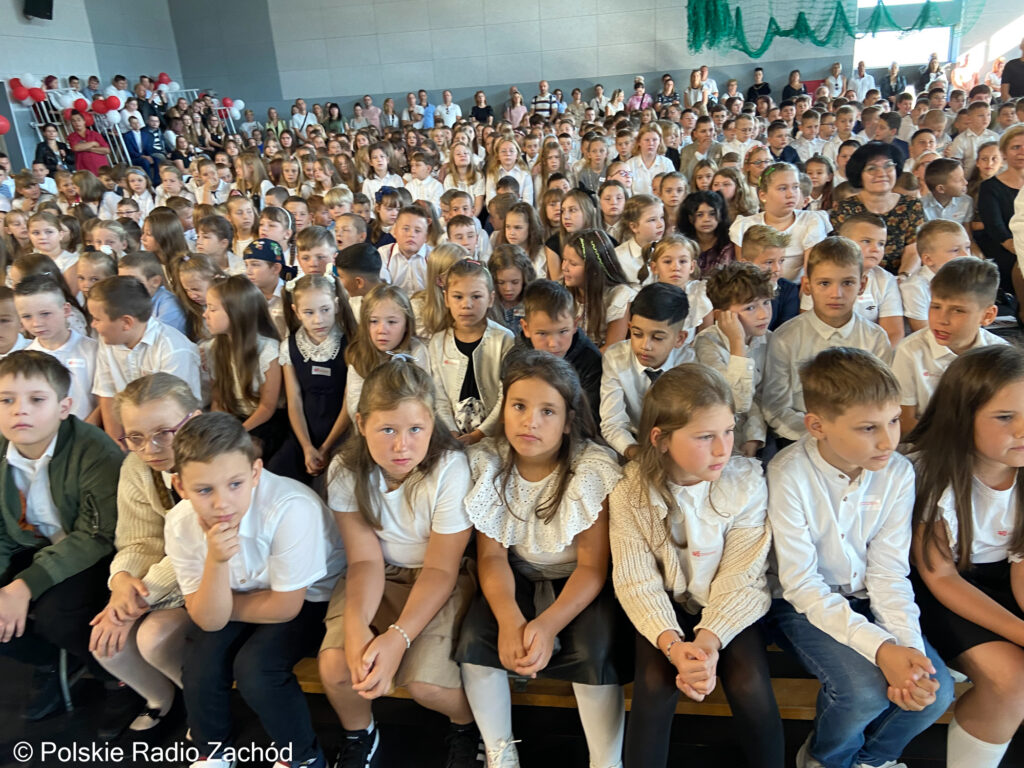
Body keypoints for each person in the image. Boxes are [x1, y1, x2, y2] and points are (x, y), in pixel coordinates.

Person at [768, 346, 954, 768]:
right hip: (799, 606)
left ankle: (872, 760)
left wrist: (906, 649)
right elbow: (802, 585)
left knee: (934, 691)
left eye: (893, 420)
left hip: (867, 597)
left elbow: (889, 573)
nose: (889, 439)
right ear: (817, 426)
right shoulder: (788, 475)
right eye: (869, 427)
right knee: (863, 693)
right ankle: (826, 760)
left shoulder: (898, 473)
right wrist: (882, 648)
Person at [457, 349, 629, 768]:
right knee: (475, 641)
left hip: (578, 584)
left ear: (569, 420)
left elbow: (592, 567)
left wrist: (549, 622)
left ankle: (605, 759)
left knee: (593, 649)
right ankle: (500, 750)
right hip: (515, 577)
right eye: (519, 406)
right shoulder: (489, 464)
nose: (530, 421)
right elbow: (492, 557)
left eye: (547, 411)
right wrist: (511, 619)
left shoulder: (591, 469)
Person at [610, 363, 782, 768]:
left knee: (750, 682)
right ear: (662, 439)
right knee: (653, 683)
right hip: (663, 612)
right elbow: (636, 581)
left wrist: (706, 645)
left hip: (726, 608)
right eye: (706, 437)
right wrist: (673, 645)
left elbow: (743, 577)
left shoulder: (745, 483)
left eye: (728, 431)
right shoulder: (630, 493)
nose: (724, 448)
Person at [318, 358, 480, 768]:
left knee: (428, 685)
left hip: (439, 578)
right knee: (337, 664)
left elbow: (442, 568)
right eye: (387, 430)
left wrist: (398, 638)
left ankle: (466, 725)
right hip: (379, 574)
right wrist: (356, 626)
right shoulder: (344, 469)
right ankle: (360, 733)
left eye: (415, 430)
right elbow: (365, 560)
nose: (401, 445)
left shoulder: (449, 468)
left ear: (432, 424)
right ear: (361, 423)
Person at [165, 412, 344, 768]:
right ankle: (212, 749)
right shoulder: (180, 523)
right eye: (204, 490)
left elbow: (285, 607)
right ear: (180, 487)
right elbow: (206, 620)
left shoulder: (292, 508)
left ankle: (303, 758)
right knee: (201, 655)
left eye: (235, 484)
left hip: (308, 596)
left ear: (256, 473)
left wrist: (216, 607)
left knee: (257, 667)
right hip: (238, 592)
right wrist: (215, 563)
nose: (222, 504)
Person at [908, 344, 1024, 768]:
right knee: (1014, 678)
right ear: (963, 417)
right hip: (943, 589)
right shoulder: (928, 474)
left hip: (1003, 579)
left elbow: (1021, 566)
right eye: (1005, 417)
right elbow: (940, 578)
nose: (1023, 428)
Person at [0, 350, 123, 721]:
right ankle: (51, 661)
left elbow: (97, 535)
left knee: (59, 616)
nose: (20, 410)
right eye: (6, 400)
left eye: (37, 400)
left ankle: (116, 678)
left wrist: (23, 585)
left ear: (64, 406)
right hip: (31, 545)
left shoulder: (94, 450)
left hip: (89, 553)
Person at [87, 374, 199, 737]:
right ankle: (160, 697)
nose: (150, 448)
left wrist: (141, 595)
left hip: (212, 581)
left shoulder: (215, 463)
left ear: (193, 421)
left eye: (163, 432)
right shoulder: (137, 468)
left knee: (153, 637)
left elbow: (198, 549)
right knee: (106, 644)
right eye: (135, 437)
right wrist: (121, 582)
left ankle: (204, 704)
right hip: (166, 581)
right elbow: (139, 540)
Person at [762, 238, 891, 444]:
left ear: (862, 284)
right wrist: (821, 437)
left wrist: (851, 436)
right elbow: (776, 408)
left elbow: (882, 402)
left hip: (860, 440)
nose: (836, 294)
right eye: (824, 283)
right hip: (799, 438)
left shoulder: (875, 339)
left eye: (847, 283)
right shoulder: (786, 338)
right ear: (807, 285)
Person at [893, 257, 1005, 434]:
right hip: (926, 445)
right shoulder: (910, 351)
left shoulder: (1001, 356)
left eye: (958, 310)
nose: (941, 320)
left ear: (988, 315)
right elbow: (905, 420)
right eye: (936, 306)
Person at [88, 275, 200, 440]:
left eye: (97, 319)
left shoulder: (173, 349)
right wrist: (115, 440)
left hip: (171, 433)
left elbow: (176, 410)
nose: (92, 325)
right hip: (133, 430)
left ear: (126, 322)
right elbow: (108, 391)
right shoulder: (109, 340)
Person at [600, 282, 690, 460]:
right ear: (629, 327)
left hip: (676, 445)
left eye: (657, 338)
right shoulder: (615, 358)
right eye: (637, 334)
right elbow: (612, 423)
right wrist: (636, 453)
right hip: (631, 443)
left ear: (679, 338)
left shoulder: (689, 364)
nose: (644, 346)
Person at [428, 259, 513, 445]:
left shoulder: (504, 339)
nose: (467, 305)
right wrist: (450, 431)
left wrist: (480, 434)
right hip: (451, 436)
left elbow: (505, 394)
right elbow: (439, 395)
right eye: (458, 297)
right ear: (446, 298)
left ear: (490, 299)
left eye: (476, 297)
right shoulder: (437, 342)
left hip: (495, 435)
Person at [695, 262, 773, 456]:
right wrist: (737, 342)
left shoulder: (769, 339)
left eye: (766, 302)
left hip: (762, 427)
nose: (764, 314)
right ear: (722, 316)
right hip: (721, 435)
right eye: (750, 308)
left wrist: (755, 435)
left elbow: (760, 397)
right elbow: (737, 403)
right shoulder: (706, 344)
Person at [203, 275, 285, 461]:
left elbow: (267, 406)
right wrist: (219, 429)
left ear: (236, 312)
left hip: (264, 421)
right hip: (234, 417)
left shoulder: (267, 349)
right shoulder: (215, 348)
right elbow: (219, 400)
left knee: (243, 452)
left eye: (212, 309)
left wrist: (237, 432)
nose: (205, 314)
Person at [831, 142, 925, 276]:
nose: (881, 173)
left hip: (900, 277)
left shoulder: (912, 205)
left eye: (888, 166)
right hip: (856, 276)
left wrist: (903, 277)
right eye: (871, 168)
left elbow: (913, 250)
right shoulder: (845, 208)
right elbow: (842, 254)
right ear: (859, 174)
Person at [15, 275, 97, 422]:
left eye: (45, 314)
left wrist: (84, 433)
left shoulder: (93, 350)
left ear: (66, 310)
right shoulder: (23, 360)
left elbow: (103, 401)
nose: (36, 323)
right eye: (27, 316)